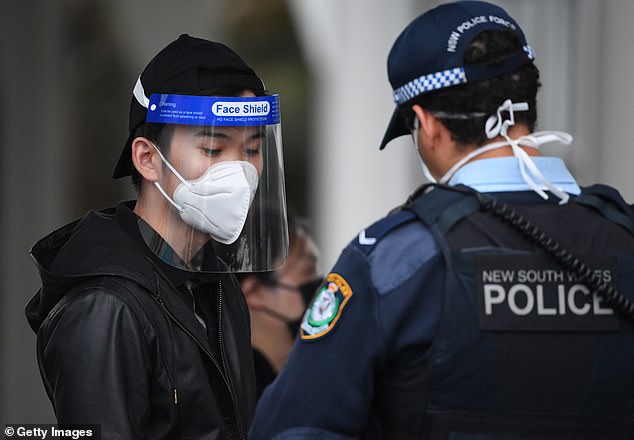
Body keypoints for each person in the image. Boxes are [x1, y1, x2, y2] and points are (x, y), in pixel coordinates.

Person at [250, 2, 634, 439]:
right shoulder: (624, 235)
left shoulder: (393, 260)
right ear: (531, 102)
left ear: (425, 125)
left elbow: (293, 428)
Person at [25, 34, 289, 439]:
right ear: (148, 158)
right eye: (214, 150)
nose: (240, 173)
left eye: (252, 150)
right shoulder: (106, 307)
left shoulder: (215, 284)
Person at [237, 213, 322, 399]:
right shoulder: (241, 396)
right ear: (255, 292)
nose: (323, 289)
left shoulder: (296, 380)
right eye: (308, 272)